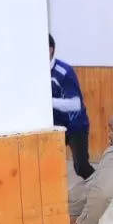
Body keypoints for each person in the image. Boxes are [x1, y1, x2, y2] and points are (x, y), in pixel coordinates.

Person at [49, 34, 93, 179]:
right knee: (48, 165)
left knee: (81, 167)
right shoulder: (36, 72)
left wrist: (48, 102)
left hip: (75, 126)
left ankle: (103, 188)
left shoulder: (64, 72)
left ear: (50, 50)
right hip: (54, 128)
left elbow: (75, 104)